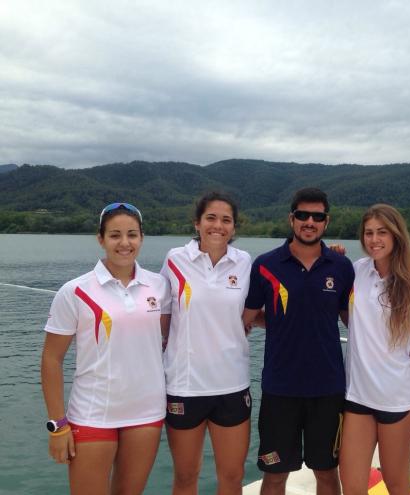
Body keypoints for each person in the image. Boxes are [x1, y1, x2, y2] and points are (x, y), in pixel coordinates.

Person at [41, 202, 170, 495]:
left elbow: (168, 339)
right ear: (100, 239)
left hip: (146, 413)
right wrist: (58, 425)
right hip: (92, 413)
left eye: (132, 235)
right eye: (114, 235)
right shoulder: (75, 291)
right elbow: (51, 359)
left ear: (142, 237)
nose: (124, 243)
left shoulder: (159, 286)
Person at [242, 187, 355, 495]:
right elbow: (246, 317)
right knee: (275, 475)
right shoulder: (265, 265)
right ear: (291, 219)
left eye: (317, 216)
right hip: (280, 390)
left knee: (328, 474)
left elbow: (354, 321)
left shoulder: (342, 266)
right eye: (303, 215)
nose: (310, 222)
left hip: (328, 389)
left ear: (326, 221)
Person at [339, 204, 410, 495]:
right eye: (368, 233)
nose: (374, 239)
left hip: (398, 400)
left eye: (382, 232)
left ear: (396, 236)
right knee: (352, 484)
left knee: (396, 483)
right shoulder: (354, 272)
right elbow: (347, 315)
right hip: (358, 397)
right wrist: (330, 256)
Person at [161, 192, 252, 495]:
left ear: (234, 228)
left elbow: (257, 312)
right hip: (185, 387)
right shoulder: (175, 260)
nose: (218, 225)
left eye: (226, 220)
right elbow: (159, 317)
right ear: (197, 223)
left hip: (232, 384)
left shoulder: (244, 263)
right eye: (211, 218)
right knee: (186, 476)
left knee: (232, 476)